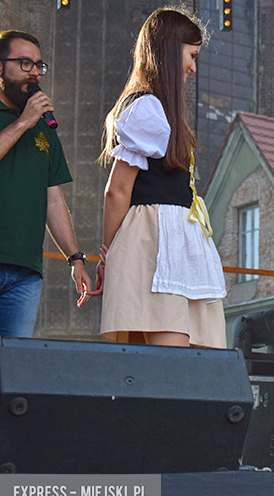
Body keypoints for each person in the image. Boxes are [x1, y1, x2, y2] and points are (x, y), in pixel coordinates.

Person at [92, 8, 226, 348]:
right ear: (168, 49)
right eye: (191, 55)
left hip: (170, 241)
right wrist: (109, 252)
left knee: (168, 369)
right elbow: (117, 190)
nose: (193, 67)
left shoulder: (155, 109)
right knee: (169, 369)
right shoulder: (146, 107)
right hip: (155, 242)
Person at [0, 30, 92, 338]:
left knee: (13, 374)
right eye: (25, 63)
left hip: (26, 274)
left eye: (39, 65)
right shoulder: (27, 119)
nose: (35, 73)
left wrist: (75, 259)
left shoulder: (45, 127)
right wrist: (23, 121)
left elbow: (53, 199)